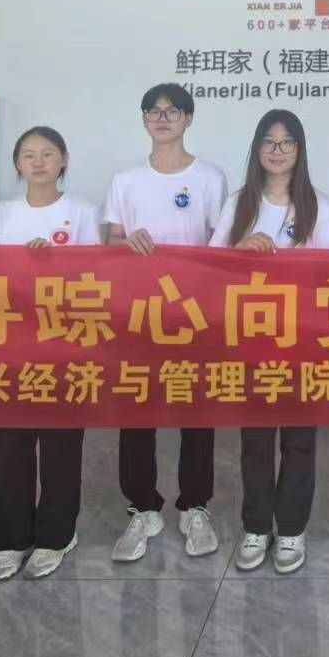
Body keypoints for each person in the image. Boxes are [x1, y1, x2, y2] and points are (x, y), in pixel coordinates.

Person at [104, 83, 229, 563]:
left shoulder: (210, 178)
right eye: (152, 111)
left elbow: (222, 248)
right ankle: (142, 509)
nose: (162, 118)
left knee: (197, 414)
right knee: (137, 412)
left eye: (172, 111)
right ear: (143, 119)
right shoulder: (125, 180)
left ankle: (195, 506)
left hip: (194, 314)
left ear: (188, 119)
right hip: (139, 314)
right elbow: (109, 242)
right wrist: (125, 243)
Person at [210, 109, 329, 575]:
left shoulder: (321, 206)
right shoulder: (239, 203)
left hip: (303, 343)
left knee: (300, 441)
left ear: (299, 150)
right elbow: (209, 267)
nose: (277, 150)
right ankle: (256, 526)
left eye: (287, 142)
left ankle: (291, 529)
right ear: (257, 149)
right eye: (269, 141)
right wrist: (241, 250)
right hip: (253, 340)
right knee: (257, 441)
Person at [0, 125, 101, 580]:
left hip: (64, 344)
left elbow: (98, 276)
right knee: (9, 444)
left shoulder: (82, 211)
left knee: (60, 445)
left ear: (63, 160)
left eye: (47, 153)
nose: (38, 162)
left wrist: (54, 264)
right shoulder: (1, 214)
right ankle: (12, 539)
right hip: (9, 344)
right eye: (28, 155)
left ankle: (56, 535)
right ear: (17, 164)